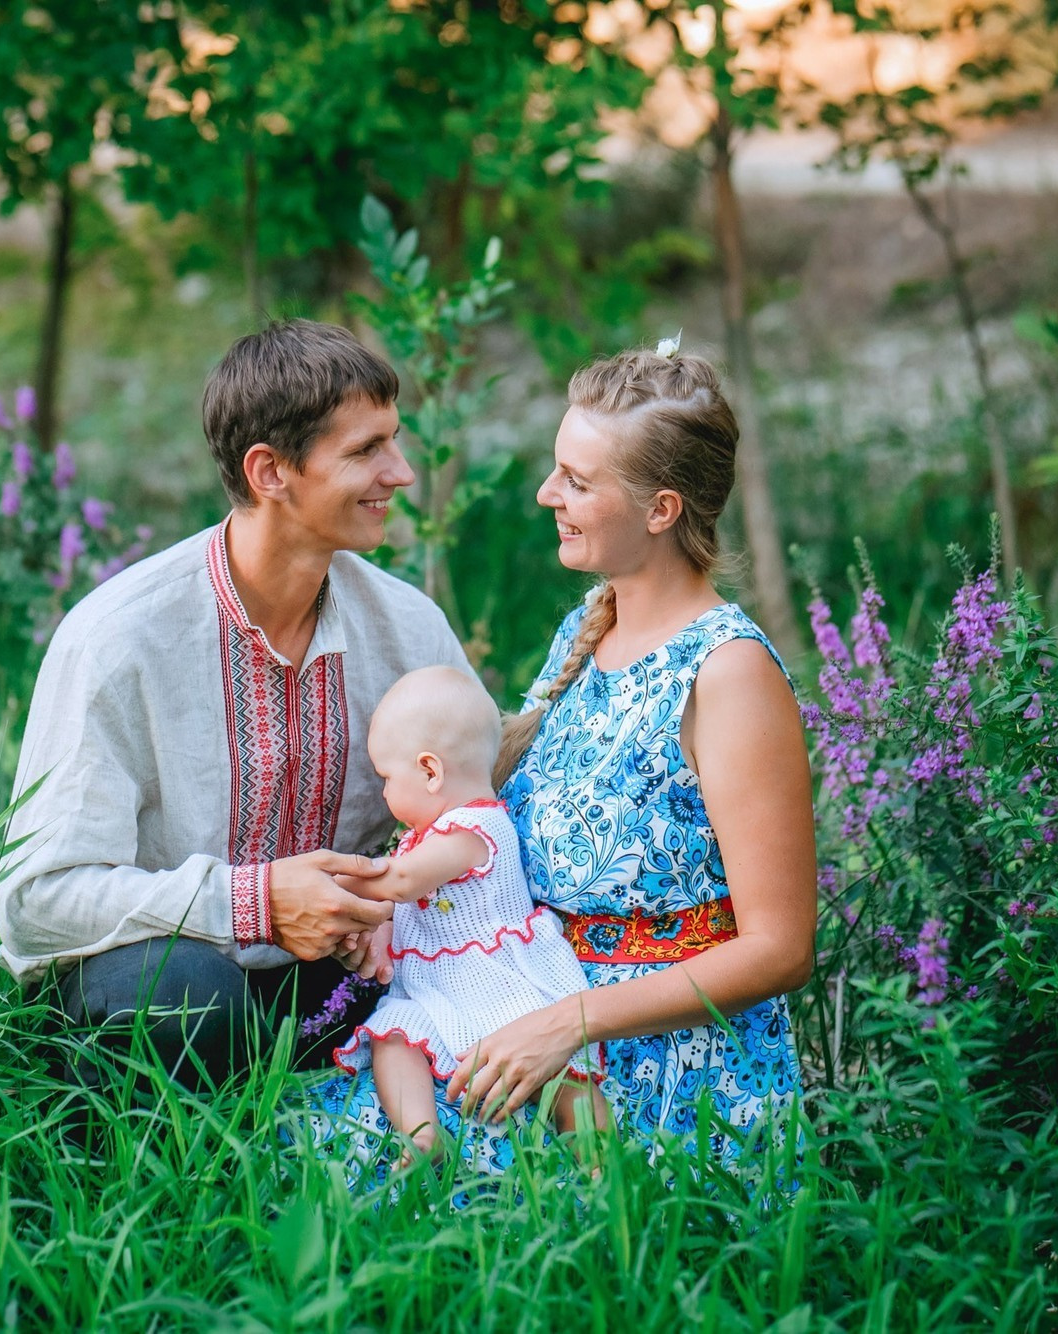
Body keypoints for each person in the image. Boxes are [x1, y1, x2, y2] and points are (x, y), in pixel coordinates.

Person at [311, 345, 815, 1174]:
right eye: (557, 470)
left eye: (577, 481)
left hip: (656, 1066)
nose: (549, 494)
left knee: (381, 1187)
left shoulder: (727, 674)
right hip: (519, 1007)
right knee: (317, 1141)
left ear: (660, 510)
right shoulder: (591, 626)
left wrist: (571, 1020)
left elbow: (781, 947)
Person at [0, 319, 475, 1088]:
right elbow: (36, 903)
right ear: (270, 472)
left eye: (395, 440)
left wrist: (398, 908)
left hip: (336, 980)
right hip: (171, 983)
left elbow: (474, 809)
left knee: (471, 968)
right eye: (366, 451)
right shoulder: (120, 639)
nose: (403, 472)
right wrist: (254, 903)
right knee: (189, 999)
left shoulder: (409, 628)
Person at [330, 666, 603, 1162]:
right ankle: (422, 1133)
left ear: (431, 771)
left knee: (566, 1076)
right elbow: (412, 904)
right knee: (394, 1033)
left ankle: (599, 1157)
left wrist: (330, 882)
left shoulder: (475, 828)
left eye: (387, 778)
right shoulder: (429, 835)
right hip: (439, 990)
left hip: (500, 981)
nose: (384, 794)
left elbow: (405, 882)